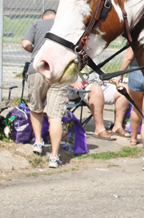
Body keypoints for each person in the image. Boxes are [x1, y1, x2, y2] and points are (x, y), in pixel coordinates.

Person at [21, 9, 70, 168]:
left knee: (36, 108)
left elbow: (26, 43)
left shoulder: (36, 24)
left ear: (44, 17)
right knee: (55, 115)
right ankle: (54, 157)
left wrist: (35, 50)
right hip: (60, 72)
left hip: (38, 70)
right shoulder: (65, 25)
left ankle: (38, 142)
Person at [75, 72, 129, 140]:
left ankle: (117, 126)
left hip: (97, 83)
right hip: (77, 87)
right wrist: (72, 83)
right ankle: (99, 129)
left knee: (124, 88)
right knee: (96, 89)